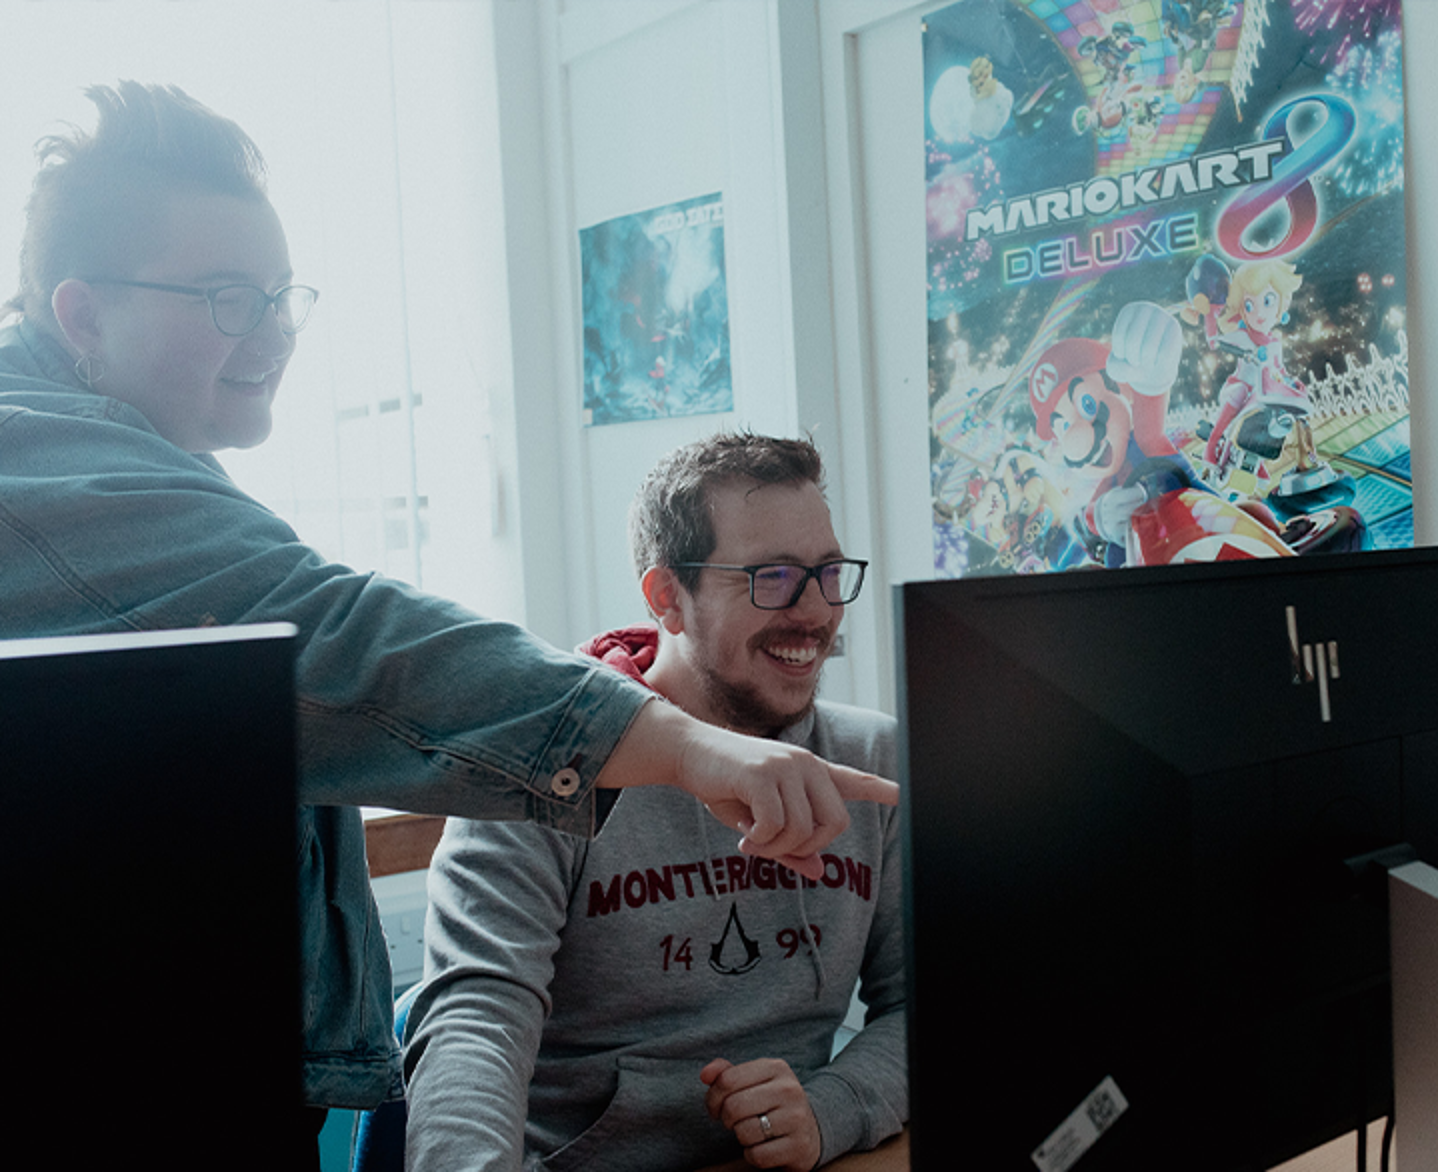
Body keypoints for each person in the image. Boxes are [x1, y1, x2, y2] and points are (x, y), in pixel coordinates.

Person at [0, 82, 895, 1156]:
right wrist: (681, 748)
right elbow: (338, 636)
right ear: (84, 312)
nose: (275, 331)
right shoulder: (40, 464)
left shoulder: (149, 462)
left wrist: (834, 1107)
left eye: (283, 294)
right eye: (227, 297)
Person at [403, 432, 907, 1172]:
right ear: (668, 598)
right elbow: (473, 1024)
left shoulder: (869, 762)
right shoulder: (539, 771)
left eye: (829, 573)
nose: (815, 612)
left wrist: (832, 1108)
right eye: (772, 577)